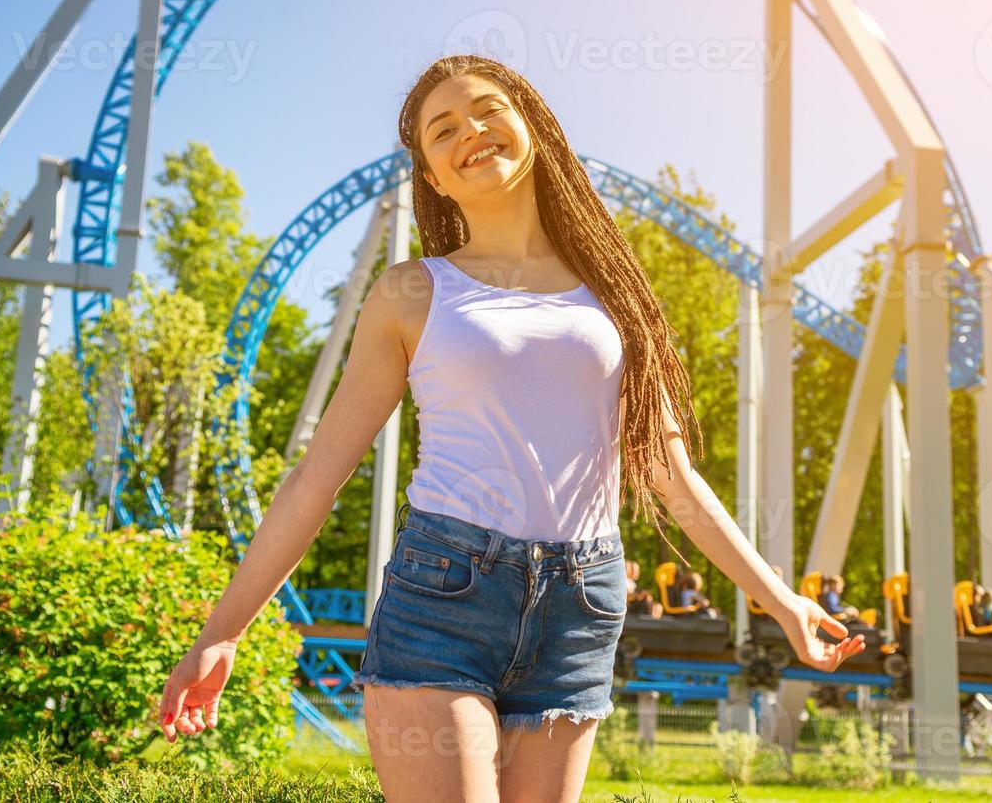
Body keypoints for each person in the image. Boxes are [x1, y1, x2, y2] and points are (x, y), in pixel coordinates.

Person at [155, 55, 865, 801]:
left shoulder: (616, 293)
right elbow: (316, 478)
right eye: (445, 130)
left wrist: (781, 603)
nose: (473, 132)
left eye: (489, 110)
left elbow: (670, 477)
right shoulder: (412, 293)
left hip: (582, 604)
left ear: (531, 124)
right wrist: (222, 632)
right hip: (444, 594)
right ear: (432, 176)